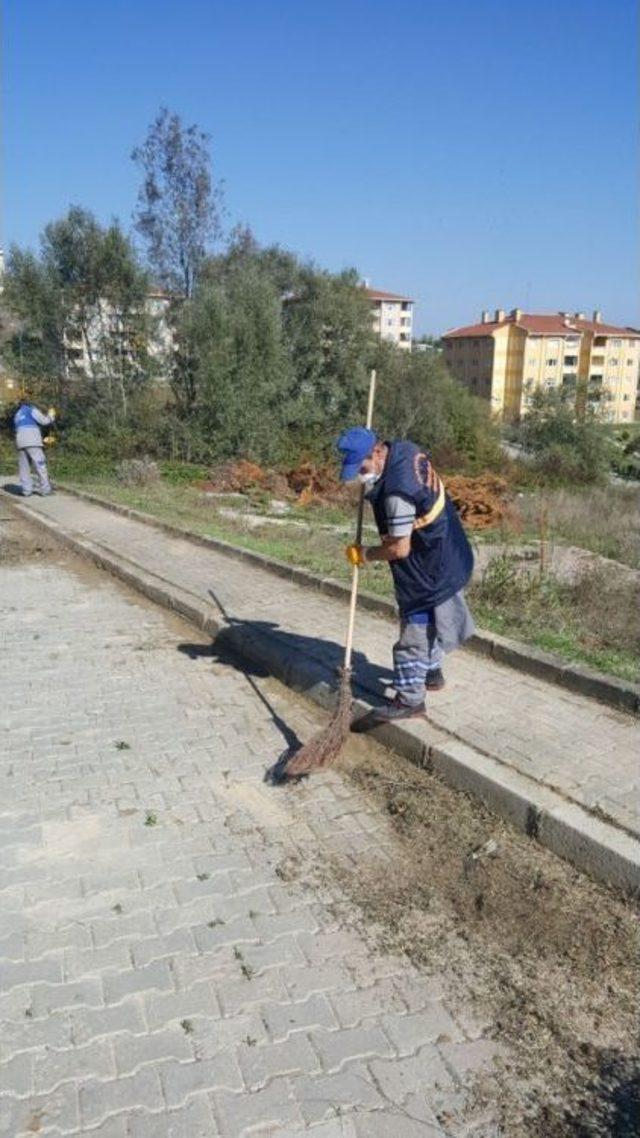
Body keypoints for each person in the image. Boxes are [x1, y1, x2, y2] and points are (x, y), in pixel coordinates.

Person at [337, 426, 475, 723]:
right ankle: (432, 673)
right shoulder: (403, 449)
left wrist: (365, 554)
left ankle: (410, 701)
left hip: (429, 565)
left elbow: (399, 549)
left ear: (376, 452)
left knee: (415, 631)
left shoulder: (397, 493)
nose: (360, 474)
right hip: (449, 548)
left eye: (361, 467)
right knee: (435, 621)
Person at [13, 394, 56, 497]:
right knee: (40, 465)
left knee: (24, 467)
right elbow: (44, 421)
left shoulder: (17, 414)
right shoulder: (30, 409)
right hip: (32, 441)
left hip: (20, 442)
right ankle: (45, 490)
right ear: (29, 402)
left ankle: (26, 491)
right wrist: (51, 415)